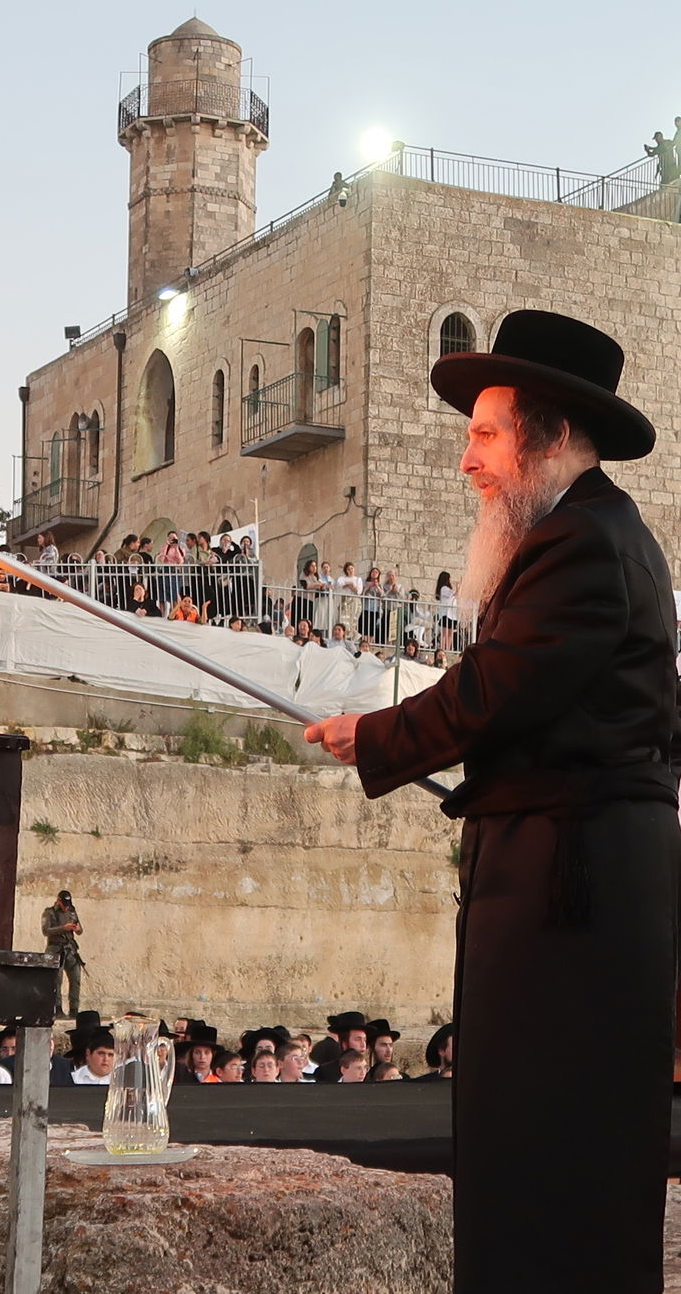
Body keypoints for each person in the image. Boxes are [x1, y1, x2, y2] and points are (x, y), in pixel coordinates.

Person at [305, 310, 679, 1294]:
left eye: (482, 432)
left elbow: (495, 688)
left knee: (550, 1152)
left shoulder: (584, 545)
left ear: (545, 436)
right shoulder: (586, 534)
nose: (463, 457)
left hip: (574, 889)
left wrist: (372, 735)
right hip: (569, 873)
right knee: (534, 1148)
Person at [41, 890, 84, 1017]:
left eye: (68, 904)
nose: (66, 906)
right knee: (56, 980)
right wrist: (63, 928)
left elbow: (80, 930)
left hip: (70, 949)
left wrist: (77, 929)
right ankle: (58, 1009)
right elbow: (46, 930)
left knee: (75, 978)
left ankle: (74, 1010)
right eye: (64, 903)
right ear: (59, 901)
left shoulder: (72, 911)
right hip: (55, 949)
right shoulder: (48, 913)